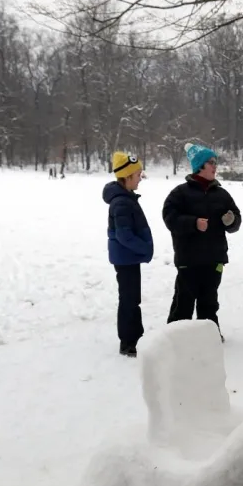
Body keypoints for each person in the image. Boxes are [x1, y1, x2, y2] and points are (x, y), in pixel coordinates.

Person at [163, 143, 242, 329]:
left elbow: (236, 220)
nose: (215, 166)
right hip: (188, 259)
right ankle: (175, 336)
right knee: (183, 302)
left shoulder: (222, 194)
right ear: (199, 166)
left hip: (214, 259)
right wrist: (193, 223)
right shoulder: (180, 193)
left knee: (209, 303)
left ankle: (210, 336)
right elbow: (170, 219)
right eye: (211, 162)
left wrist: (231, 221)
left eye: (216, 162)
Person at [103, 151, 154, 357]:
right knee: (129, 299)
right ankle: (128, 341)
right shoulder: (122, 203)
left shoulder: (125, 198)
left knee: (132, 298)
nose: (140, 178)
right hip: (126, 258)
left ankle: (135, 336)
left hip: (128, 257)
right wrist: (144, 247)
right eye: (137, 175)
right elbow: (124, 235)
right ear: (127, 177)